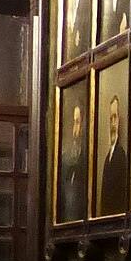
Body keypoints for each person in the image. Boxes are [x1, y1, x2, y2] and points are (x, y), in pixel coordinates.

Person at [97, 90, 130, 215]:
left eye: (115, 117)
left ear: (119, 121)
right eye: (111, 118)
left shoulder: (121, 155)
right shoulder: (107, 159)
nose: (113, 123)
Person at [57, 92, 87, 223]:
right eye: (74, 123)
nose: (76, 129)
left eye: (78, 122)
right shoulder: (65, 158)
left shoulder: (87, 158)